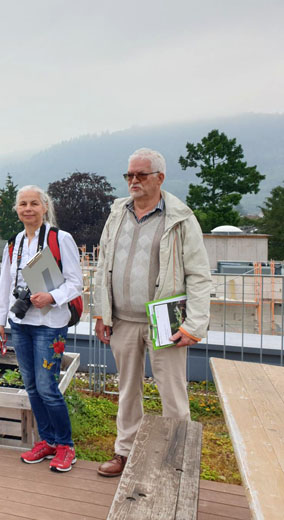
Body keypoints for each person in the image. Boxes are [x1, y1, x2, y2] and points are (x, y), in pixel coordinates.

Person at [94, 148, 211, 477]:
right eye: (129, 175)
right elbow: (103, 266)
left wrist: (194, 324)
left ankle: (178, 458)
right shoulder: (117, 212)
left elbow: (199, 276)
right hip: (124, 319)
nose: (133, 181)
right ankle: (125, 452)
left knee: (172, 392)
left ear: (160, 178)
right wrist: (101, 312)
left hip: (166, 317)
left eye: (141, 175)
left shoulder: (180, 218)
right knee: (127, 389)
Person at [0, 185, 82, 472]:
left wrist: (52, 297)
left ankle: (66, 446)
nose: (28, 209)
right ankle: (48, 441)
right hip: (21, 325)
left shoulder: (60, 239)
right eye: (22, 204)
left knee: (47, 387)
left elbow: (75, 282)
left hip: (49, 323)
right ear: (16, 209)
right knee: (31, 386)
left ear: (45, 207)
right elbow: (5, 285)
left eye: (33, 203)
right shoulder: (13, 243)